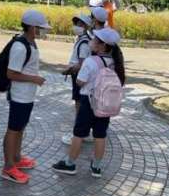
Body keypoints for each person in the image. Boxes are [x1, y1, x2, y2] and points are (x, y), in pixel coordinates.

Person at [52, 28, 125, 178]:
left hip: (88, 102)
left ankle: (70, 164)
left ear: (102, 45)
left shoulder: (90, 61)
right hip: (104, 104)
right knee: (100, 135)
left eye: (95, 40)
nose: (91, 42)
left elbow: (80, 81)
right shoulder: (114, 62)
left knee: (79, 133)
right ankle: (96, 167)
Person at [1, 10, 50, 184]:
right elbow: (11, 73)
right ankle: (8, 167)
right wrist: (34, 79)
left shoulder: (31, 43)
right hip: (19, 96)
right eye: (40, 28)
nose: (43, 31)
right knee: (13, 129)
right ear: (31, 27)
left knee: (20, 127)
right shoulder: (20, 46)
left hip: (27, 95)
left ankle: (16, 157)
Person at [61, 13, 92, 146]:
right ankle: (84, 132)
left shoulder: (84, 43)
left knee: (79, 105)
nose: (76, 26)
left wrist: (68, 70)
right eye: (76, 24)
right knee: (81, 104)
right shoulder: (83, 39)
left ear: (86, 26)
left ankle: (79, 134)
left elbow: (81, 64)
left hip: (78, 77)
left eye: (80, 24)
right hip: (79, 76)